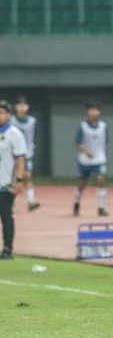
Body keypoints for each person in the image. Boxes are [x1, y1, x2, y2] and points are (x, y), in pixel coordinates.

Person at [0, 100, 27, 260]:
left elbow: (20, 160)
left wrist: (19, 180)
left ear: (8, 115)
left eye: (1, 113)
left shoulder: (14, 134)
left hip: (5, 184)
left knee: (6, 217)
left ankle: (8, 249)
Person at [74, 102, 109, 217]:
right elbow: (78, 144)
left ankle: (101, 207)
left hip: (99, 159)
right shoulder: (83, 126)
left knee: (101, 179)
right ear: (87, 112)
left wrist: (100, 153)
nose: (94, 112)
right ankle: (77, 202)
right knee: (82, 183)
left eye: (96, 110)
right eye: (91, 110)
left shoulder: (103, 126)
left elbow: (105, 142)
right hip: (85, 160)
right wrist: (86, 151)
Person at [11, 96, 39, 210]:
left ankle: (31, 201)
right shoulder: (11, 120)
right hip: (12, 154)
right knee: (13, 179)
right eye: (19, 105)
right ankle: (11, 203)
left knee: (28, 176)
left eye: (24, 105)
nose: (21, 108)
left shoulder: (32, 121)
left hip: (27, 154)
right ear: (15, 107)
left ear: (27, 107)